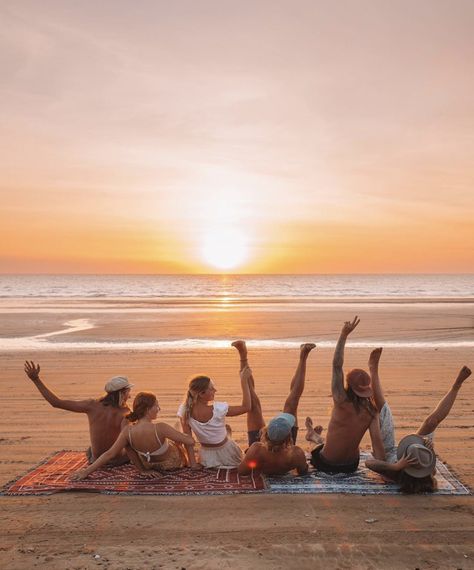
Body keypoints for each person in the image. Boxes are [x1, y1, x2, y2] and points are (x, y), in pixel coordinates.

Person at [364, 348, 471, 493]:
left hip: (389, 456)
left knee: (384, 412)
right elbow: (427, 457)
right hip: (414, 448)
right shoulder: (428, 469)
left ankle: (373, 370)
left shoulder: (395, 473)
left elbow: (369, 463)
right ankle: (456, 386)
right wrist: (428, 448)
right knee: (431, 422)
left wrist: (397, 466)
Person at [305, 317, 385, 473]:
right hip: (351, 466)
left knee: (321, 446)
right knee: (325, 441)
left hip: (327, 463)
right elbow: (377, 445)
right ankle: (313, 435)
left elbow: (337, 366)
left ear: (349, 386)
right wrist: (386, 468)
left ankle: (312, 435)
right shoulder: (372, 411)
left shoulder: (341, 400)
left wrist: (343, 334)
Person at [24, 361, 133, 465]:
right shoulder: (126, 412)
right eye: (129, 392)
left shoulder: (91, 405)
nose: (130, 396)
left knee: (90, 450)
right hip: (117, 460)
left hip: (95, 459)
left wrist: (36, 379)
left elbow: (56, 402)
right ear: (122, 393)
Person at [71, 392, 196, 480]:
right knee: (178, 434)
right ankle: (192, 465)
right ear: (147, 409)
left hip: (147, 465)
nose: (159, 408)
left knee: (128, 445)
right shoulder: (160, 427)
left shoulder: (128, 431)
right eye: (156, 406)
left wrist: (86, 472)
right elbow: (190, 441)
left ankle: (173, 438)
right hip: (170, 463)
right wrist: (184, 435)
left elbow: (110, 454)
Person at [236, 341, 315, 476]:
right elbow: (303, 472)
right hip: (284, 451)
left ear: (265, 432)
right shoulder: (295, 452)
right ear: (290, 436)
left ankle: (243, 356)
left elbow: (241, 471)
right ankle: (303, 357)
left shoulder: (256, 448)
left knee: (254, 405)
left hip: (260, 451)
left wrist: (252, 459)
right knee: (293, 401)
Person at [177, 345, 252, 468]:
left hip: (207, 457)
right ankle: (227, 434)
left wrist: (193, 463)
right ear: (201, 394)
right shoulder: (218, 409)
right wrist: (243, 381)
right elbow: (247, 407)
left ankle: (227, 433)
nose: (215, 390)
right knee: (226, 430)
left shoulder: (184, 410)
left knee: (226, 428)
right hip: (228, 455)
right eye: (211, 389)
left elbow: (188, 441)